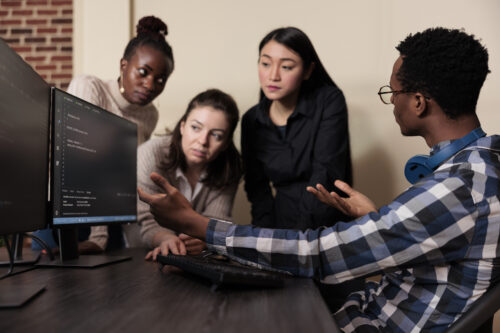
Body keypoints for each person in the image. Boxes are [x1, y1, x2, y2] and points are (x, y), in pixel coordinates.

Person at [138, 27, 499, 332]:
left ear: (418, 102)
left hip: (363, 313)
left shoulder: (458, 187)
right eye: (265, 63)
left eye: (393, 93)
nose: (392, 103)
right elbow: (432, 251)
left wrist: (197, 224)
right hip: (362, 296)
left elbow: (317, 253)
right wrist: (374, 219)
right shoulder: (479, 167)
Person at [33, 15, 174, 253]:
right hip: (67, 215)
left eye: (160, 80)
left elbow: (130, 175)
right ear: (123, 65)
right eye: (143, 72)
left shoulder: (150, 115)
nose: (150, 85)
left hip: (111, 221)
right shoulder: (90, 87)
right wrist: (98, 237)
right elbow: (81, 163)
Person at [242, 27, 352, 231]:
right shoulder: (251, 120)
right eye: (265, 64)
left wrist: (299, 239)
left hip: (326, 226)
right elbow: (258, 190)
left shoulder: (329, 101)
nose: (273, 76)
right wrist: (263, 237)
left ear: (308, 70)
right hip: (280, 224)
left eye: (286, 67)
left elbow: (324, 174)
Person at [139, 89, 242, 259]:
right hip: (144, 252)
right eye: (196, 128)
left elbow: (217, 222)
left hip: (196, 258)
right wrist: (166, 239)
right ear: (182, 126)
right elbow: (146, 220)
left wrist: (205, 241)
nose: (202, 141)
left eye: (216, 135)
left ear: (225, 143)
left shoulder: (230, 168)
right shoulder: (150, 154)